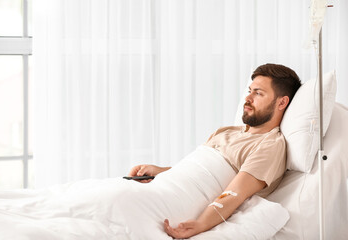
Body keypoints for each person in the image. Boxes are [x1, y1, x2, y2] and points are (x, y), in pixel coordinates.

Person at [128, 63, 302, 239]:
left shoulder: (270, 145)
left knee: (117, 204)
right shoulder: (227, 131)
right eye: (249, 90)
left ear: (282, 102)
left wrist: (201, 224)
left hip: (183, 201)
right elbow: (197, 172)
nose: (247, 98)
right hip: (168, 187)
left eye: (258, 93)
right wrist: (159, 172)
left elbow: (235, 193)